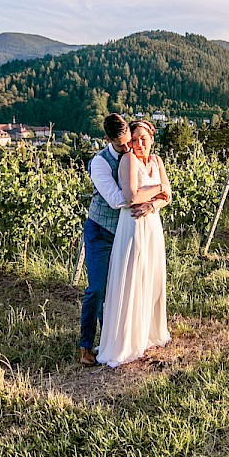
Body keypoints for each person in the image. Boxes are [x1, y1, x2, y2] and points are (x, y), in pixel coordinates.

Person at [97, 119, 172, 367]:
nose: (139, 144)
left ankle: (147, 333)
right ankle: (129, 339)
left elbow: (167, 196)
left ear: (152, 138)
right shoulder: (128, 160)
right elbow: (130, 197)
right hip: (132, 225)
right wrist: (158, 188)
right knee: (131, 278)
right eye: (135, 139)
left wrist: (153, 202)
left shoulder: (157, 161)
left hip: (152, 223)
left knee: (150, 277)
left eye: (144, 138)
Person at [78, 113, 141, 365]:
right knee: (97, 288)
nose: (127, 148)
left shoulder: (136, 155)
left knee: (120, 289)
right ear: (107, 139)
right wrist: (145, 194)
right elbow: (116, 200)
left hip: (125, 233)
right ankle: (85, 345)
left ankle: (112, 341)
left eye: (128, 142)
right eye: (121, 145)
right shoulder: (100, 163)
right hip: (100, 231)